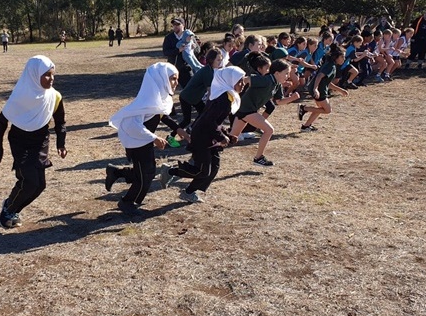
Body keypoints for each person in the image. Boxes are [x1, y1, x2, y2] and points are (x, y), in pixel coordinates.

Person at [105, 63, 190, 212]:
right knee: (146, 174)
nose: (176, 83)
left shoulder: (158, 100)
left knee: (146, 172)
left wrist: (179, 130)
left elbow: (163, 116)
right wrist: (154, 138)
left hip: (144, 141)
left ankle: (116, 173)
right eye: (172, 79)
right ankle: (127, 202)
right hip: (135, 141)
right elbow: (133, 126)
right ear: (160, 80)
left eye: (177, 79)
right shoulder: (145, 102)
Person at [0, 56, 67, 228]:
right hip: (20, 141)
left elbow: (60, 122)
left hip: (41, 140)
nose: (51, 79)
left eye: (53, 75)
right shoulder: (20, 96)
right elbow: (1, 122)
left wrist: (61, 144)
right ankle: (8, 210)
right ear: (34, 75)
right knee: (30, 180)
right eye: (47, 75)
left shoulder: (55, 97)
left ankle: (12, 207)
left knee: (40, 185)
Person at [160, 66, 245, 203]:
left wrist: (226, 134)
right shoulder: (222, 98)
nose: (242, 84)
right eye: (239, 81)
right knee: (202, 170)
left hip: (208, 135)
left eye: (242, 81)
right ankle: (170, 172)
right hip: (201, 137)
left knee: (214, 167)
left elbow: (215, 121)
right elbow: (208, 120)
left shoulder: (226, 96)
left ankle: (189, 192)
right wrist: (221, 137)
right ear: (230, 80)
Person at [229, 58, 300, 167]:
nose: (288, 76)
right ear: (277, 73)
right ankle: (258, 158)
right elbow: (247, 79)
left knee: (231, 138)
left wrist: (292, 98)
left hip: (246, 110)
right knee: (269, 130)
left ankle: (209, 148)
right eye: (286, 74)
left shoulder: (277, 84)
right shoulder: (266, 80)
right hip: (246, 109)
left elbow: (279, 101)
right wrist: (233, 90)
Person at [298, 44, 350, 131]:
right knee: (327, 110)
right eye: (342, 57)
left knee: (320, 109)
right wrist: (315, 89)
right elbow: (319, 76)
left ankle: (306, 126)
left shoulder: (331, 64)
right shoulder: (330, 66)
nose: (344, 59)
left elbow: (328, 83)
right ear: (336, 57)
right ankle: (304, 108)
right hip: (319, 90)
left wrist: (341, 90)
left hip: (318, 89)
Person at [162, 17, 194, 89]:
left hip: (186, 68)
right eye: (174, 25)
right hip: (173, 68)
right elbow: (165, 52)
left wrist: (193, 48)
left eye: (177, 24)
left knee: (190, 88)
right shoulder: (169, 38)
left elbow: (198, 50)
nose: (175, 26)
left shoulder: (189, 35)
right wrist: (178, 50)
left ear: (183, 25)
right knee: (169, 89)